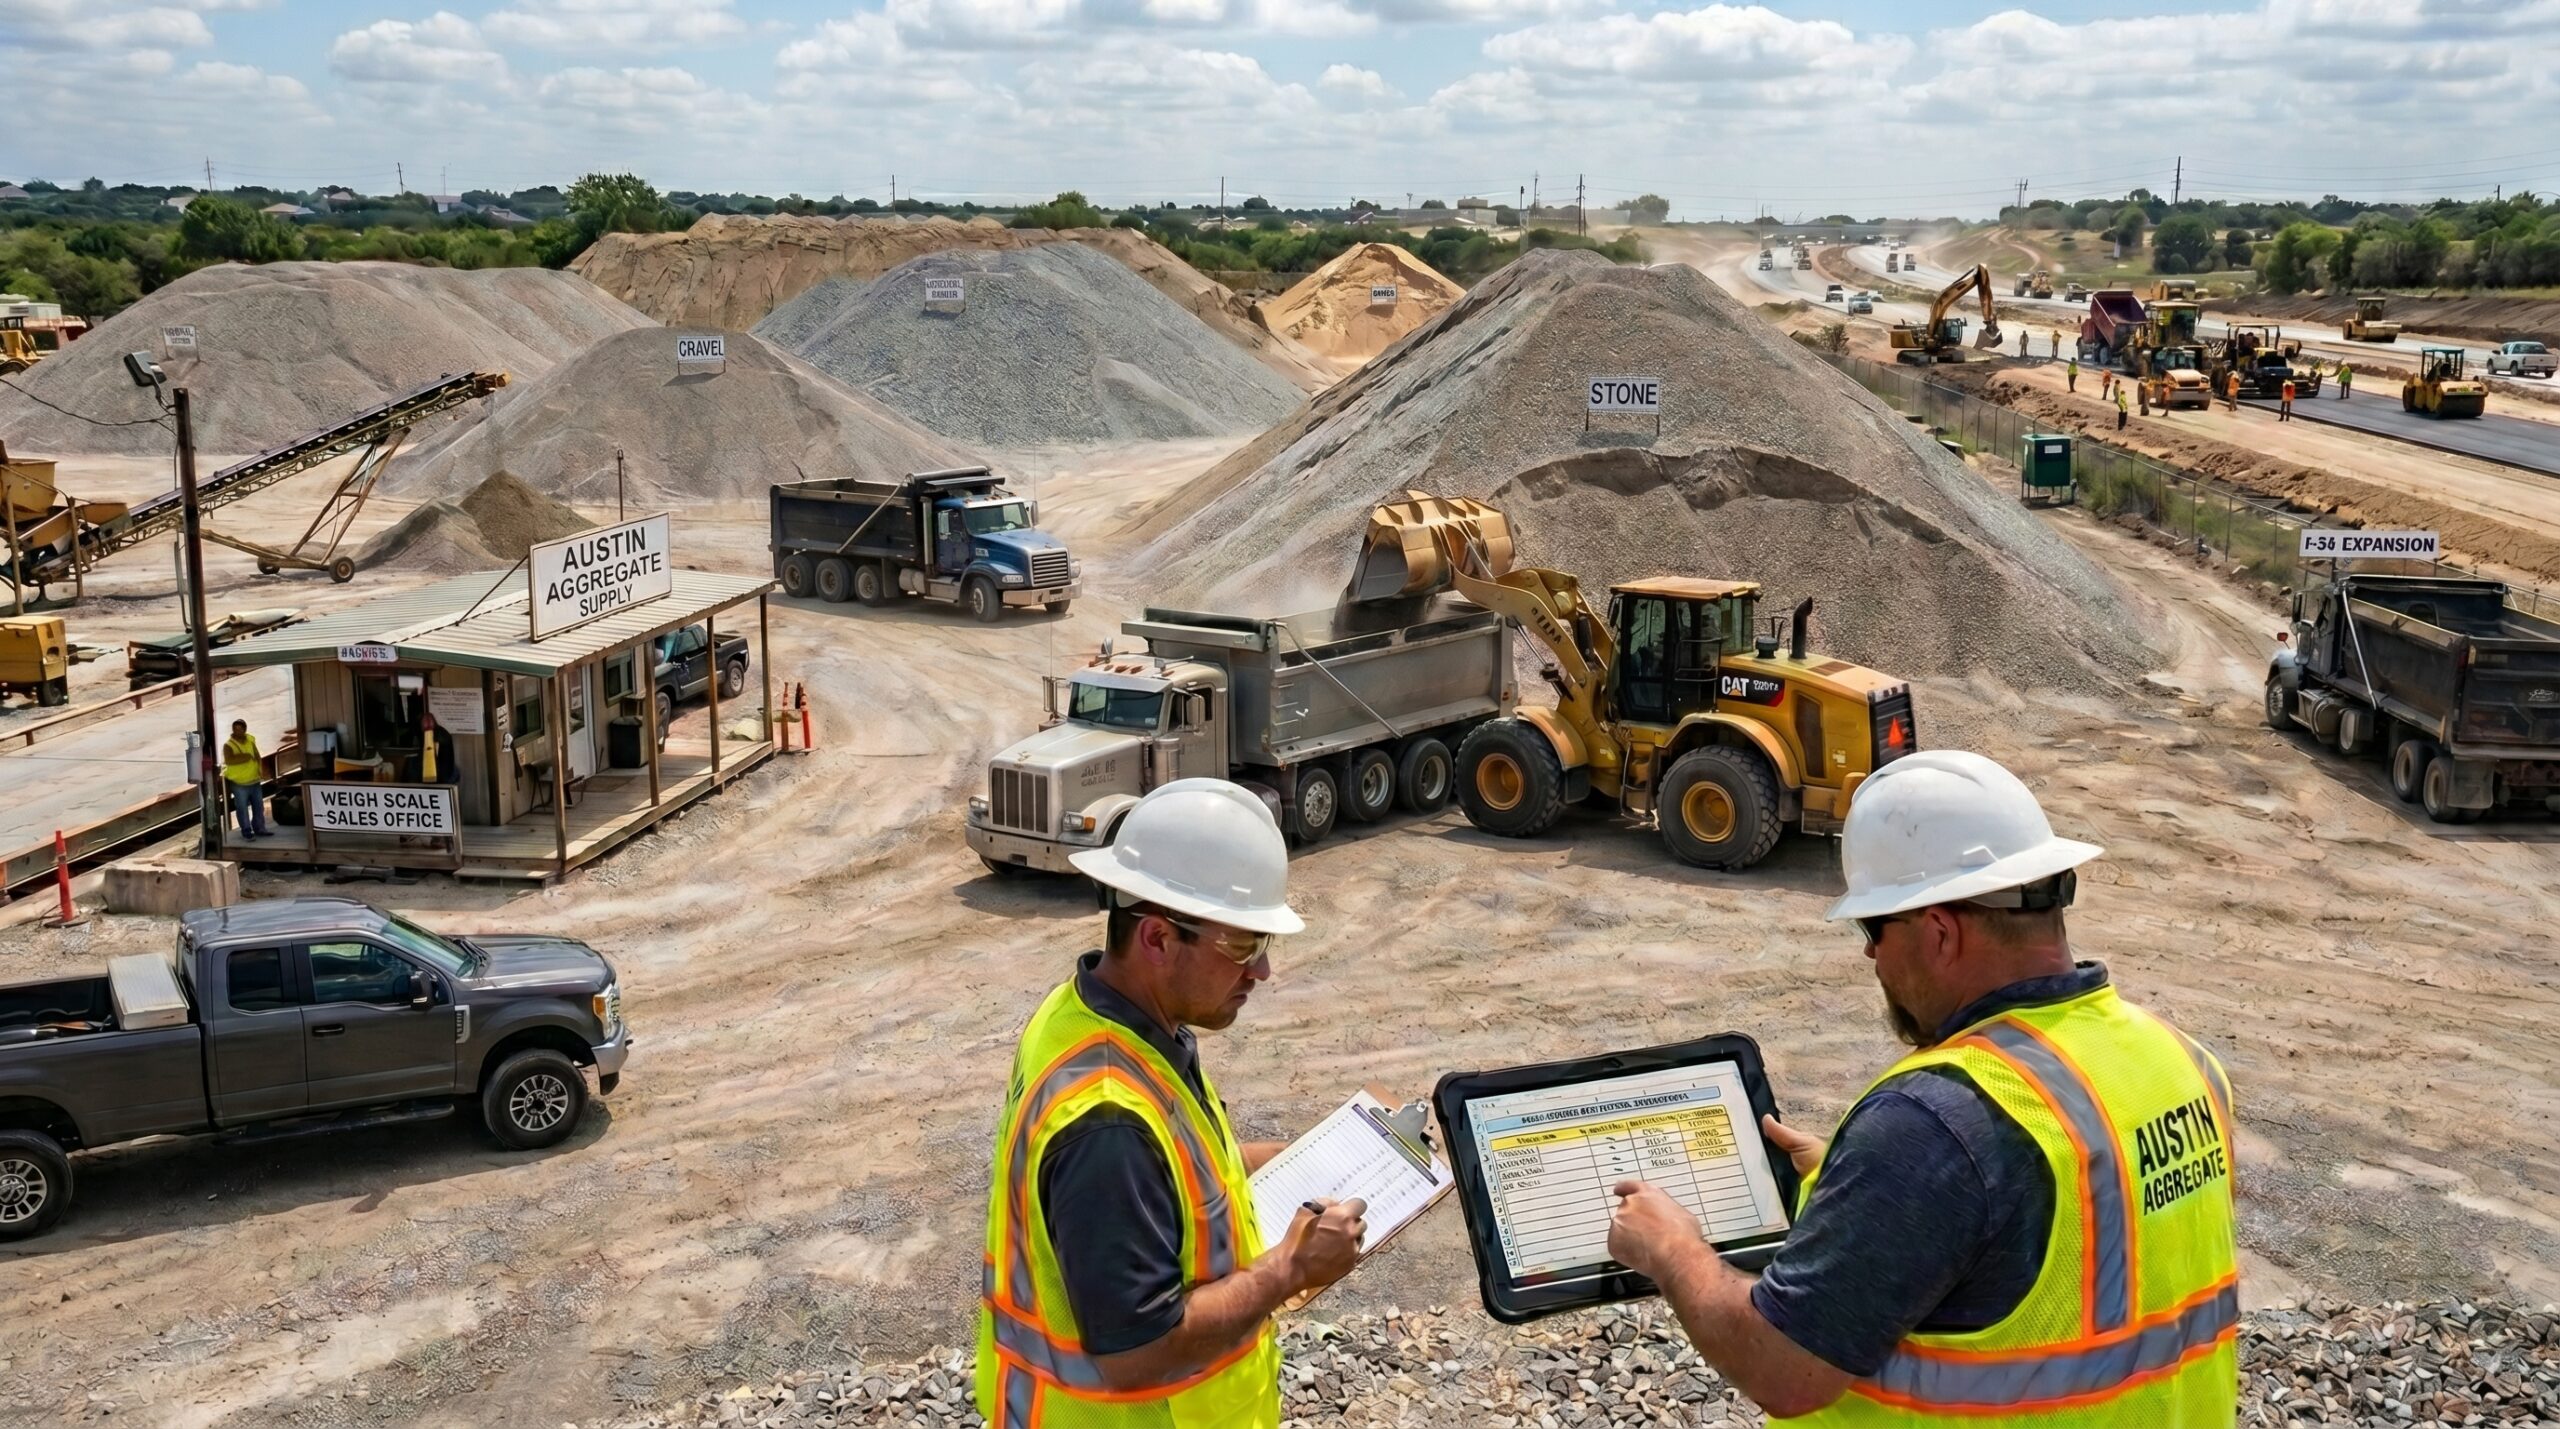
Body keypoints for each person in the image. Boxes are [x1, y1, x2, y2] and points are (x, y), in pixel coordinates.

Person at [1605, 750, 2239, 1425]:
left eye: (1874, 927)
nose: (1871, 954)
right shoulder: (2182, 1060)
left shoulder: (1932, 1124)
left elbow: (1782, 1368)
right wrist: (1865, 1186)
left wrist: (1673, 1249)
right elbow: (2070, 1230)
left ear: (1939, 931)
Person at [976, 779, 1364, 1429]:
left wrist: (1318, 1155)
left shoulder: (1099, 1018)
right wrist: (1290, 1269)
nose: (1261, 972)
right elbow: (1138, 1352)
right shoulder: (1106, 1121)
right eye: (1242, 945)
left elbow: (1174, 1174)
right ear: (1157, 938)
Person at [221, 719, 271, 839]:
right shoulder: (229, 745)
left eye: (239, 729)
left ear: (244, 729)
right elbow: (229, 760)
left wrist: (261, 771)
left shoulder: (250, 741)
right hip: (239, 783)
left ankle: (260, 828)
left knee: (259, 806)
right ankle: (246, 830)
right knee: (242, 807)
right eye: (235, 729)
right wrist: (246, 757)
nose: (237, 731)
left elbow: (257, 756)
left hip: (254, 780)